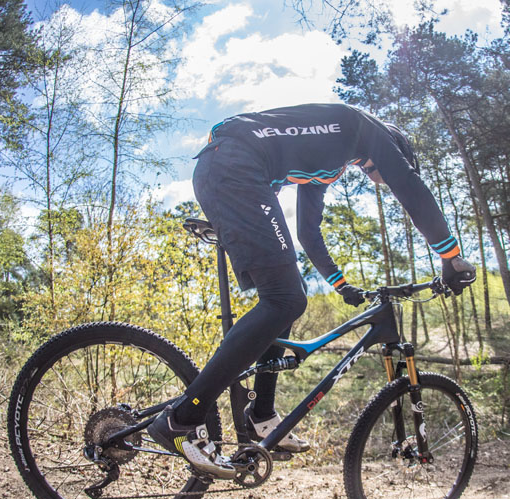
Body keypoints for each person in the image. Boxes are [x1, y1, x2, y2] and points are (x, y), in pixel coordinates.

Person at [147, 103, 476, 477]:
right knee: (285, 299)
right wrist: (451, 257)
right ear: (392, 147)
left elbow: (309, 232)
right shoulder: (364, 127)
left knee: (287, 296)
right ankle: (182, 419)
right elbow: (409, 186)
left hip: (229, 169)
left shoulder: (329, 160)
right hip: (234, 168)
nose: (380, 177)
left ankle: (261, 416)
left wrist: (341, 285)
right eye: (382, 169)